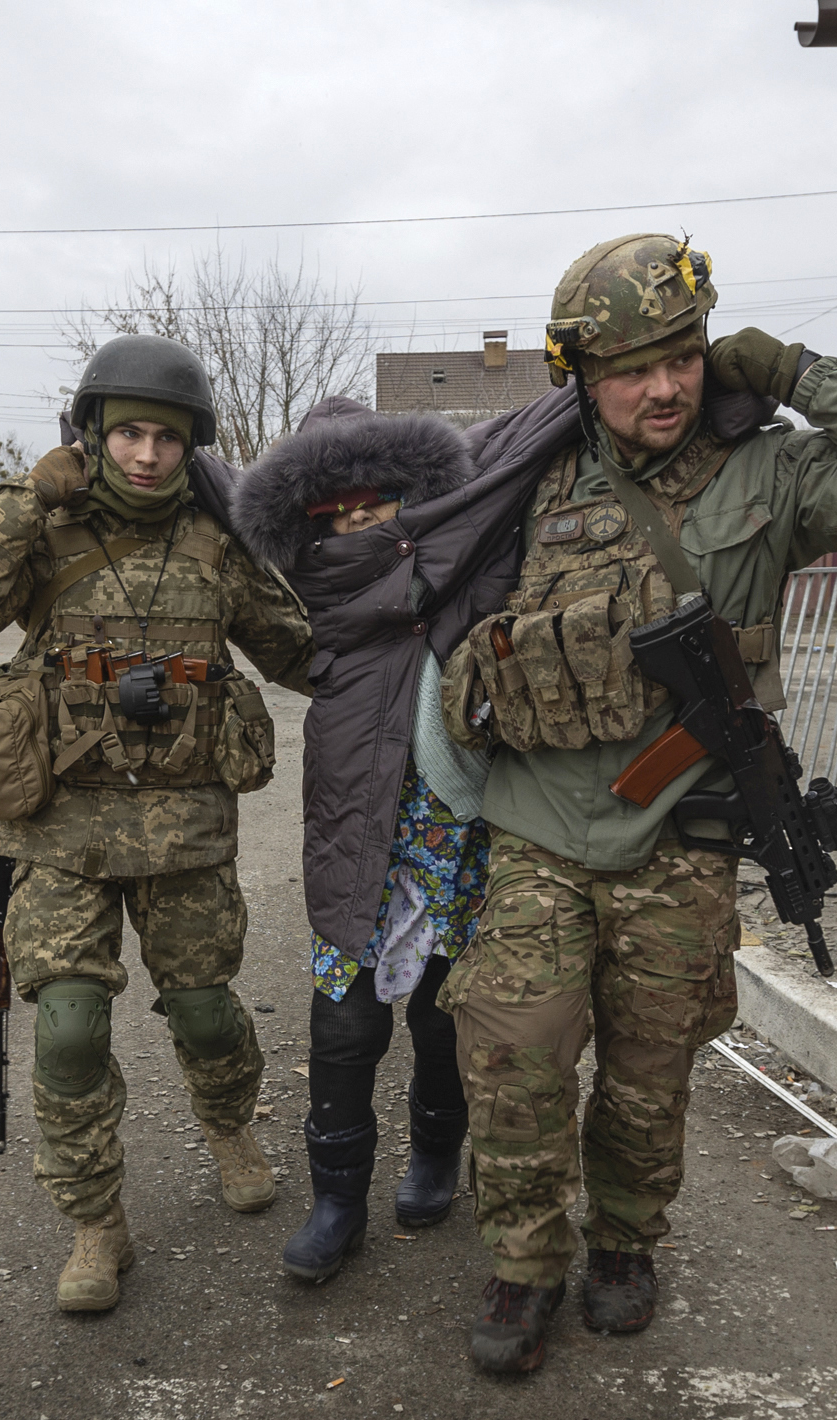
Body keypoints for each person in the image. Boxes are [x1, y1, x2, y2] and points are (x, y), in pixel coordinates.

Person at [436, 233, 837, 1371]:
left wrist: (786, 368)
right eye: (632, 367)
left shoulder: (767, 474)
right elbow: (417, 591)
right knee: (514, 1057)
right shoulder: (523, 478)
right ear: (582, 375)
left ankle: (626, 1243)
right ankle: (525, 1262)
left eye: (683, 355)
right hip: (536, 827)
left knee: (649, 1069)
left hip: (680, 832)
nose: (665, 386)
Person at [0, 334, 316, 1314]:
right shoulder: (44, 527)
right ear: (91, 435)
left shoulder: (221, 538)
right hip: (63, 831)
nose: (144, 455)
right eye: (126, 433)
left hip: (184, 831)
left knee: (209, 1013)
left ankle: (230, 1128)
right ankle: (97, 1223)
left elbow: (302, 648)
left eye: (165, 438)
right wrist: (21, 498)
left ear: (191, 446)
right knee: (71, 1028)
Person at [231, 399, 497, 1281]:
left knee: (436, 1016)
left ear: (407, 495)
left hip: (450, 844)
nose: (353, 524)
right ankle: (337, 1202)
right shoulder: (311, 612)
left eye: (370, 504)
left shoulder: (465, 577)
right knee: (343, 1029)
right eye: (333, 513)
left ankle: (431, 1157)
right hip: (356, 848)